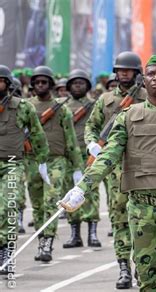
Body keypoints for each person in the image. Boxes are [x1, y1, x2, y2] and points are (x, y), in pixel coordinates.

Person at [60, 55, 156, 291]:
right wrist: (83, 187)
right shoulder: (128, 116)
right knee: (147, 274)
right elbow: (109, 155)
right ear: (143, 80)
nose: (155, 78)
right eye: (150, 74)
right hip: (140, 204)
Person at [84, 51, 147, 289]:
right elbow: (91, 125)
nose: (123, 73)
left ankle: (142, 267)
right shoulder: (106, 99)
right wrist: (91, 142)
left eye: (128, 70)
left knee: (142, 221)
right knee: (119, 220)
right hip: (114, 169)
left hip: (142, 166)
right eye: (120, 70)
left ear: (136, 73)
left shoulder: (147, 96)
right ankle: (123, 269)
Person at [26, 65, 83, 263]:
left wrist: (77, 168)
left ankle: (47, 244)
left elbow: (71, 139)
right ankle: (41, 238)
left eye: (45, 82)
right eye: (37, 82)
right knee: (37, 205)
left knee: (51, 202)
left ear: (50, 84)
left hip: (56, 161)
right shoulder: (26, 107)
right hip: (32, 160)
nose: (41, 85)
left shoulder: (63, 110)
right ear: (33, 85)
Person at [0, 65, 49, 274]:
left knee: (7, 206)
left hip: (12, 164)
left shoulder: (23, 107)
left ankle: (6, 252)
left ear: (8, 84)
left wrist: (42, 161)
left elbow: (37, 135)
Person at [62, 69, 102, 249]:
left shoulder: (95, 105)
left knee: (91, 193)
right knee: (69, 193)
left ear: (87, 86)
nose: (78, 85)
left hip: (89, 155)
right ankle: (74, 234)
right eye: (74, 83)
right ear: (69, 86)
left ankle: (92, 232)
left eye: (82, 82)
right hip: (68, 156)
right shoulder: (61, 106)